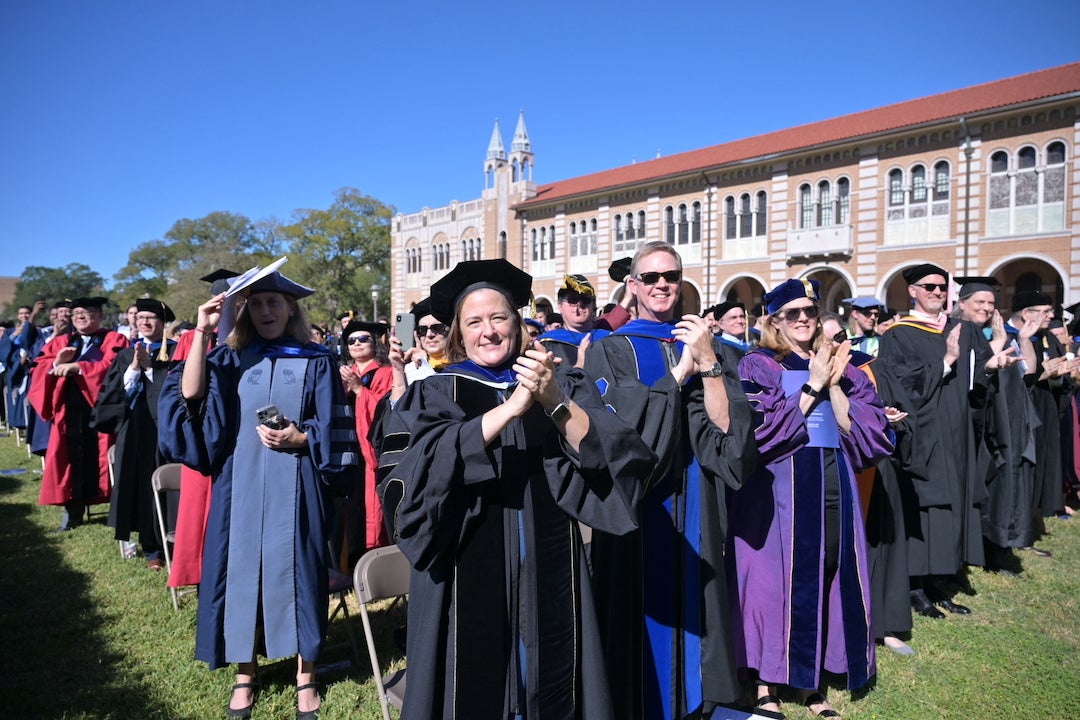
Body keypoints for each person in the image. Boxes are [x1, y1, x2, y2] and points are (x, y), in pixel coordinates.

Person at [377, 258, 655, 720]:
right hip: (461, 567)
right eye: (474, 321)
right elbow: (408, 480)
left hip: (549, 563)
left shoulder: (558, 381)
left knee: (550, 680)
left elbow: (615, 454)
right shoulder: (434, 392)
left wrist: (551, 402)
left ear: (517, 323)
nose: (488, 331)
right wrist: (507, 411)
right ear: (458, 334)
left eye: (499, 317)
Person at [158, 270, 360, 720]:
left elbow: (333, 427)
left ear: (292, 309)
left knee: (302, 573)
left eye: (275, 302)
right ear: (246, 309)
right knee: (240, 572)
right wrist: (203, 331)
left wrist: (302, 439)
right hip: (239, 484)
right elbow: (190, 395)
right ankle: (244, 674)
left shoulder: (317, 360)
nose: (267, 311)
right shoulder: (232, 359)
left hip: (298, 483)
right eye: (258, 303)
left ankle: (305, 676)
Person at [584, 242, 755, 720]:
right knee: (639, 603)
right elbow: (615, 433)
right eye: (651, 276)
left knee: (699, 593)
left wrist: (708, 363)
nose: (662, 284)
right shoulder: (610, 349)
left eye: (671, 276)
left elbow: (726, 432)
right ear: (632, 285)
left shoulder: (704, 342)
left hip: (698, 490)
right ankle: (639, 702)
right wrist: (679, 374)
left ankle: (702, 700)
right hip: (639, 501)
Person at [731, 279, 892, 719]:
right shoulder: (757, 365)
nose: (803, 319)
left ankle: (809, 680)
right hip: (778, 487)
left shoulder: (841, 364)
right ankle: (765, 684)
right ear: (774, 321)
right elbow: (757, 436)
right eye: (792, 313)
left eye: (809, 312)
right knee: (771, 582)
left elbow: (865, 435)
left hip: (832, 477)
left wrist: (834, 384)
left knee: (827, 569)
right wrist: (812, 385)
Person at [876, 264, 991, 618]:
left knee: (951, 503)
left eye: (943, 287)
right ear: (912, 290)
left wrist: (993, 364)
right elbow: (901, 389)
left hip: (957, 431)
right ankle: (914, 585)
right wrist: (946, 360)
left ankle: (939, 579)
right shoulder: (898, 335)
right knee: (925, 507)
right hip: (924, 433)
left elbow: (977, 377)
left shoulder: (962, 328)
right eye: (929, 287)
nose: (938, 292)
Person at [821, 312, 914, 656]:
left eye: (839, 336)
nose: (835, 343)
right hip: (829, 470)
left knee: (881, 541)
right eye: (827, 337)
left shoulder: (867, 365)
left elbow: (881, 406)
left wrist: (882, 416)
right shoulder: (800, 368)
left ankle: (886, 625)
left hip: (871, 467)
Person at [29, 296, 129, 531]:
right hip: (69, 413)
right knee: (67, 461)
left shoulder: (114, 338)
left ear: (100, 316)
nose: (81, 317)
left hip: (102, 411)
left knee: (106, 460)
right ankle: (72, 513)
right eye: (77, 314)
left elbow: (115, 366)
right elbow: (39, 368)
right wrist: (56, 362)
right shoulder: (61, 341)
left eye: (88, 313)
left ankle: (114, 511)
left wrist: (79, 367)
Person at [92, 298, 178, 569]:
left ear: (163, 324)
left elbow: (176, 390)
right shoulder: (125, 355)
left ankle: (174, 543)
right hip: (135, 430)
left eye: (151, 318)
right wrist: (133, 370)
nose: (145, 322)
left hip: (166, 429)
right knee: (140, 486)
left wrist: (151, 369)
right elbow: (112, 395)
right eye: (140, 318)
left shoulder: (176, 352)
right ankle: (151, 549)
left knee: (169, 487)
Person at [1007, 291, 1075, 541]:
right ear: (1026, 314)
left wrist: (1060, 372)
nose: (1051, 315)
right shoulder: (1005, 337)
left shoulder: (1042, 337)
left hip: (1043, 407)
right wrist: (1041, 374)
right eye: (1045, 311)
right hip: (1016, 411)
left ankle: (1036, 513)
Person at [339, 319, 394, 560]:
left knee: (372, 508)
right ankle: (348, 565)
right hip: (347, 450)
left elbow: (386, 415)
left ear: (375, 344)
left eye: (363, 339)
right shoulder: (343, 373)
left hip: (370, 453)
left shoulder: (386, 373)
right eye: (351, 341)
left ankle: (374, 564)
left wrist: (360, 390)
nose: (357, 344)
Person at [537, 274, 599, 366]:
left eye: (585, 300)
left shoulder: (608, 338)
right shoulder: (545, 343)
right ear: (560, 306)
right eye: (572, 300)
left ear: (593, 305)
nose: (579, 304)